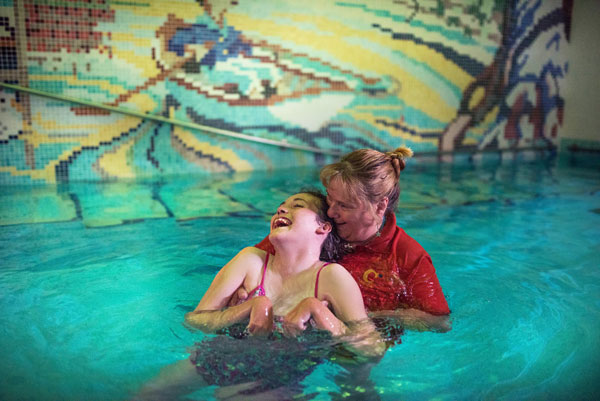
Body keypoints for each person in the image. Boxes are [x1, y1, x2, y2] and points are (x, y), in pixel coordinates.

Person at [250, 147, 451, 332]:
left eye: (345, 206)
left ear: (380, 207)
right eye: (330, 198)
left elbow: (439, 322)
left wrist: (367, 316)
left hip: (359, 344)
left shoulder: (406, 254)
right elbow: (257, 261)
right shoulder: (317, 225)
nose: (330, 211)